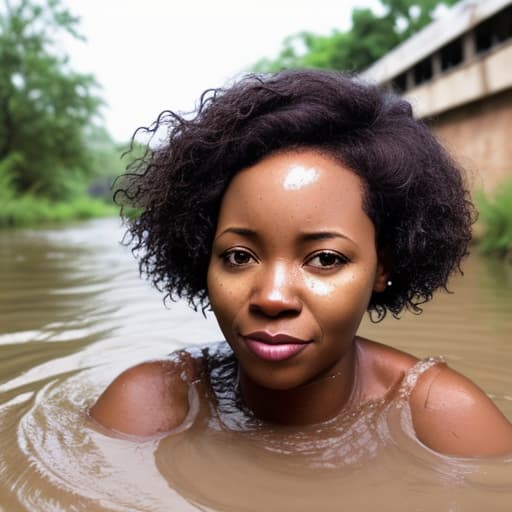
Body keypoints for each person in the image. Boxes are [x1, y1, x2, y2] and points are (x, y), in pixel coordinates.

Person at [90, 70, 512, 456]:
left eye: (325, 259)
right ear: (204, 257)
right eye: (239, 256)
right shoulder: (149, 403)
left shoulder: (446, 418)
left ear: (382, 267)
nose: (272, 297)